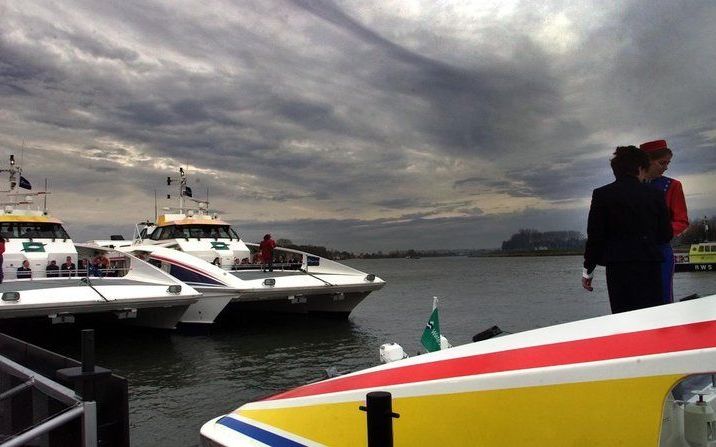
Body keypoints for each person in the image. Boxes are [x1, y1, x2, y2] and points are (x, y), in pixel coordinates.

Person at [582, 146, 672, 313]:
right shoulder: (655, 195)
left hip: (619, 268)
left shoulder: (602, 195)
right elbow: (665, 234)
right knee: (653, 319)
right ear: (640, 168)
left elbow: (595, 237)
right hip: (650, 266)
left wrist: (588, 269)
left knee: (624, 319)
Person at [640, 139, 689, 304]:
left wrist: (660, 233)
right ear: (647, 162)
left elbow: (681, 220)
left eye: (668, 163)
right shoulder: (631, 186)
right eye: (662, 163)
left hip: (660, 250)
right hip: (635, 253)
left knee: (663, 299)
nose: (666, 167)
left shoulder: (673, 186)